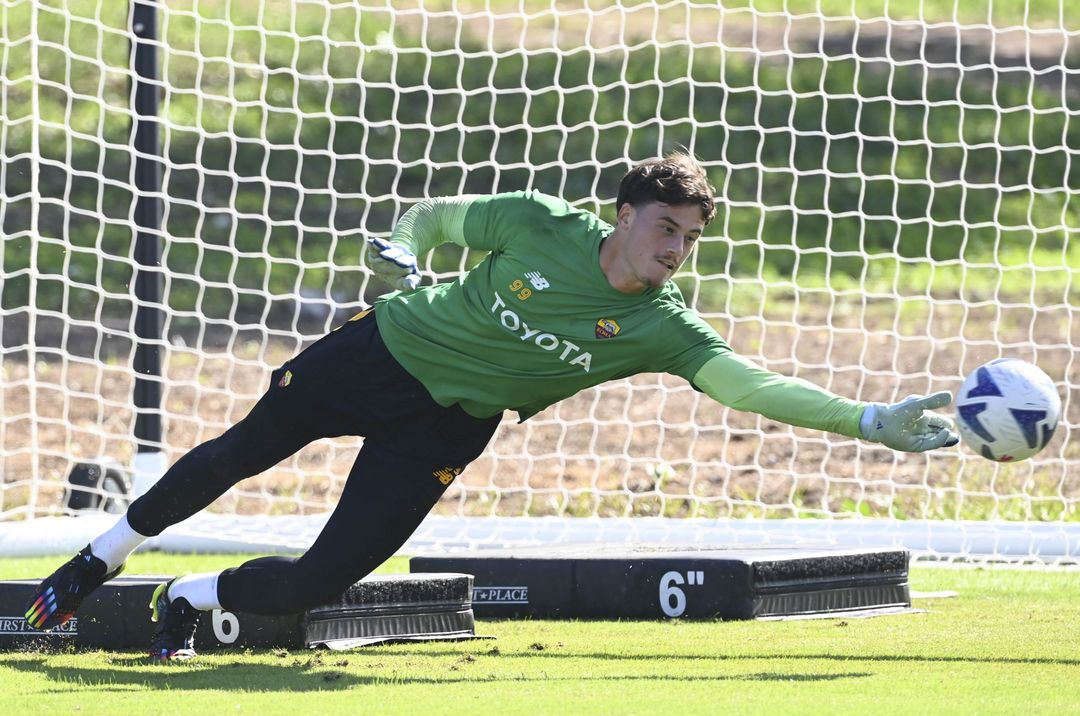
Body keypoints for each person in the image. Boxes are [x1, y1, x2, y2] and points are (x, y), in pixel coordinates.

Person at [24, 152, 958, 660]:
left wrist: (867, 421)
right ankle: (98, 559)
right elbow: (433, 221)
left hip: (447, 426)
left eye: (691, 238)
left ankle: (186, 602)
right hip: (378, 351)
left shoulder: (664, 328)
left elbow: (753, 387)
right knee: (238, 452)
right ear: (624, 215)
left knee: (321, 581)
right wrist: (399, 252)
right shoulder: (542, 222)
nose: (677, 249)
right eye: (665, 228)